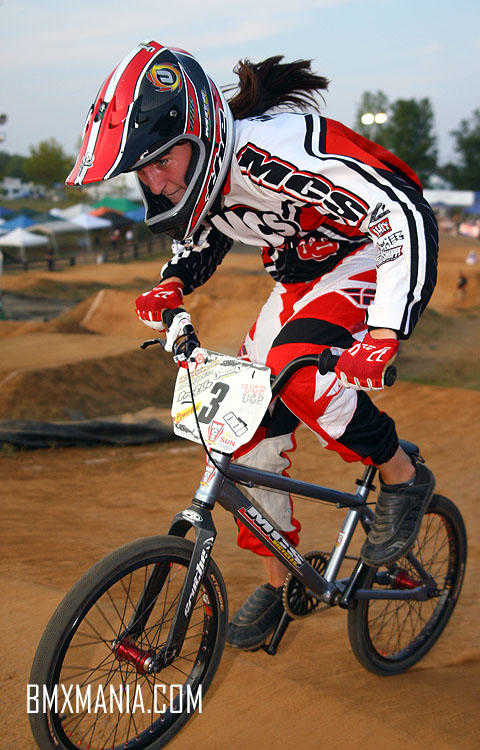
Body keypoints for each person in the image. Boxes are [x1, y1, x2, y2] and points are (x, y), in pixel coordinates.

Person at [67, 41, 438, 651]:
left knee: (298, 371)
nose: (155, 181)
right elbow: (208, 227)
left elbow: (401, 213)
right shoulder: (203, 172)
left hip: (370, 256)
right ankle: (280, 579)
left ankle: (402, 476)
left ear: (202, 135)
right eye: (143, 169)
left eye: (161, 161)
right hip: (299, 282)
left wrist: (384, 332)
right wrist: (173, 282)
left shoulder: (279, 153)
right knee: (241, 433)